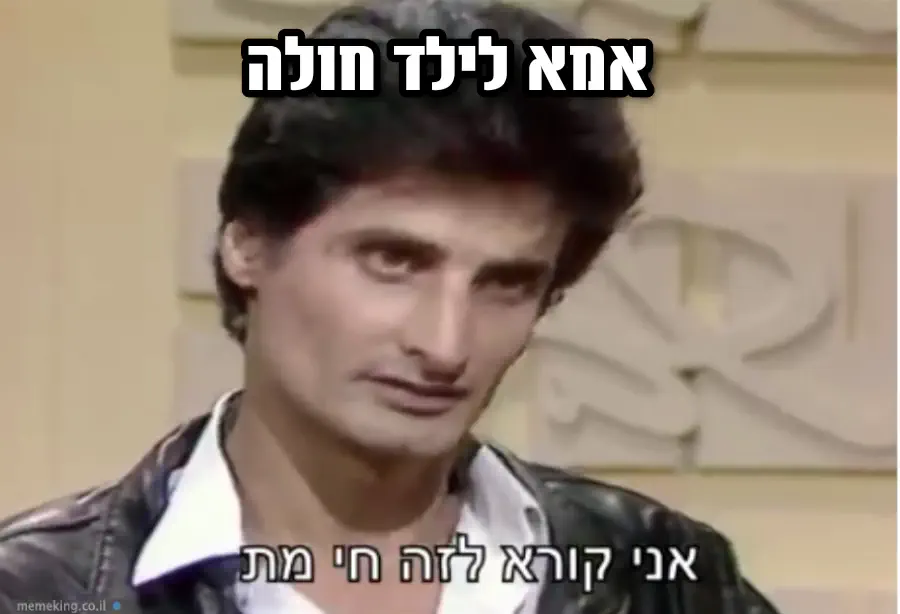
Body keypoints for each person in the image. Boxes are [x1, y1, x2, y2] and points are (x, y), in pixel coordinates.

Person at [0, 1, 780, 612]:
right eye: (395, 262)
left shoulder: (664, 580)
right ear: (249, 245)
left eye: (506, 283)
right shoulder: (35, 591)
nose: (445, 346)